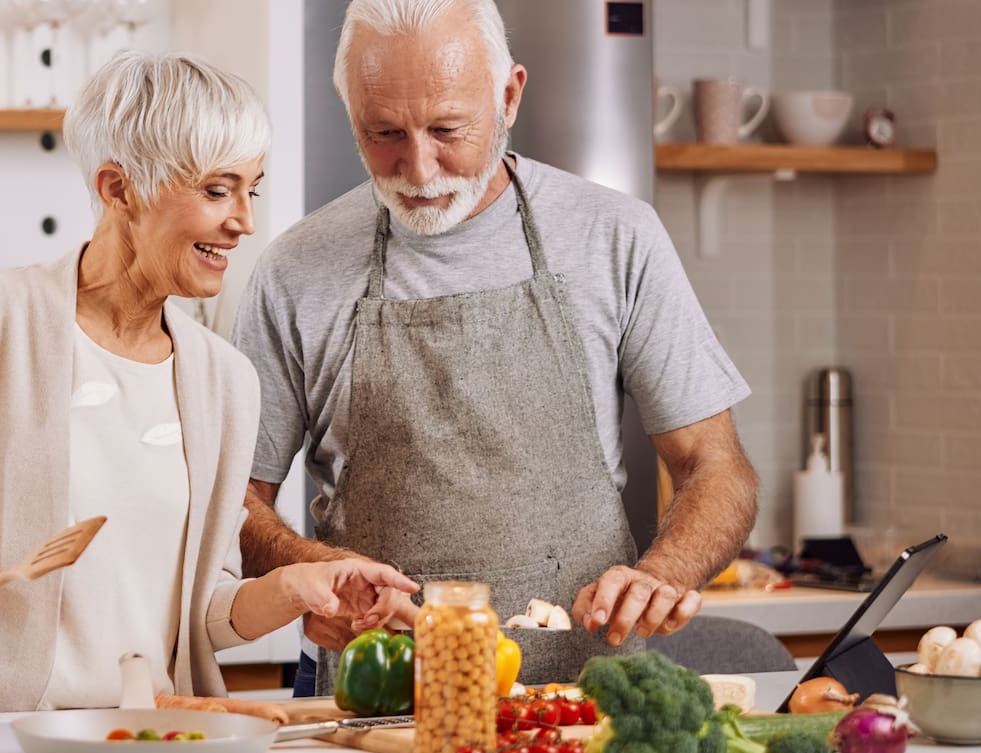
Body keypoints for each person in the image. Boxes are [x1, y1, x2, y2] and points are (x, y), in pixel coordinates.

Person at [0, 50, 417, 719]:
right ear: (118, 190)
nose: (244, 221)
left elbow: (204, 611)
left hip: (145, 746)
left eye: (250, 190)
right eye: (216, 190)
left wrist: (299, 587)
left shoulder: (223, 380)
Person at [231, 0, 759, 696]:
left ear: (509, 96)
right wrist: (307, 573)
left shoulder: (616, 237)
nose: (419, 168)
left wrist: (664, 573)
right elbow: (233, 500)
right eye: (383, 132)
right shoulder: (294, 270)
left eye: (447, 129)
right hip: (382, 702)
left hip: (585, 702)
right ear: (348, 106)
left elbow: (717, 467)